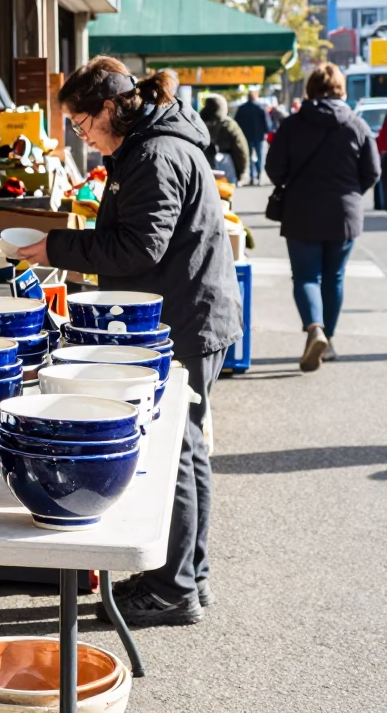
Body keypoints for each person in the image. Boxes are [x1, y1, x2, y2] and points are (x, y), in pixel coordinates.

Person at [17, 57, 242, 627]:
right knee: (186, 449)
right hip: (183, 311)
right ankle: (187, 573)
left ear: (112, 108)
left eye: (82, 122)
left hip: (185, 319)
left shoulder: (154, 154)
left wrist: (57, 249)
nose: (81, 135)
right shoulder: (145, 146)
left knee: (178, 452)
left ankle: (175, 588)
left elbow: (140, 249)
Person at [266, 63, 380, 371]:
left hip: (301, 210)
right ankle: (328, 337)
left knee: (305, 277)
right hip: (344, 213)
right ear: (341, 89)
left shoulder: (292, 124)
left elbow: (274, 168)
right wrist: (351, 193)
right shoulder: (356, 124)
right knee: (335, 277)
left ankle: (314, 327)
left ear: (311, 88)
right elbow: (372, 171)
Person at [200, 93, 249, 183]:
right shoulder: (229, 124)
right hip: (226, 165)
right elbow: (240, 148)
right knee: (226, 192)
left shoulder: (198, 123)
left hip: (204, 165)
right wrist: (242, 170)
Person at [235, 89, 272, 185]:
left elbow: (236, 123)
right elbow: (267, 123)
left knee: (249, 157)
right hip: (259, 136)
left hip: (246, 135)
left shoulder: (242, 108)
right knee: (260, 156)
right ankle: (259, 175)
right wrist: (267, 132)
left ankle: (252, 176)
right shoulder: (261, 107)